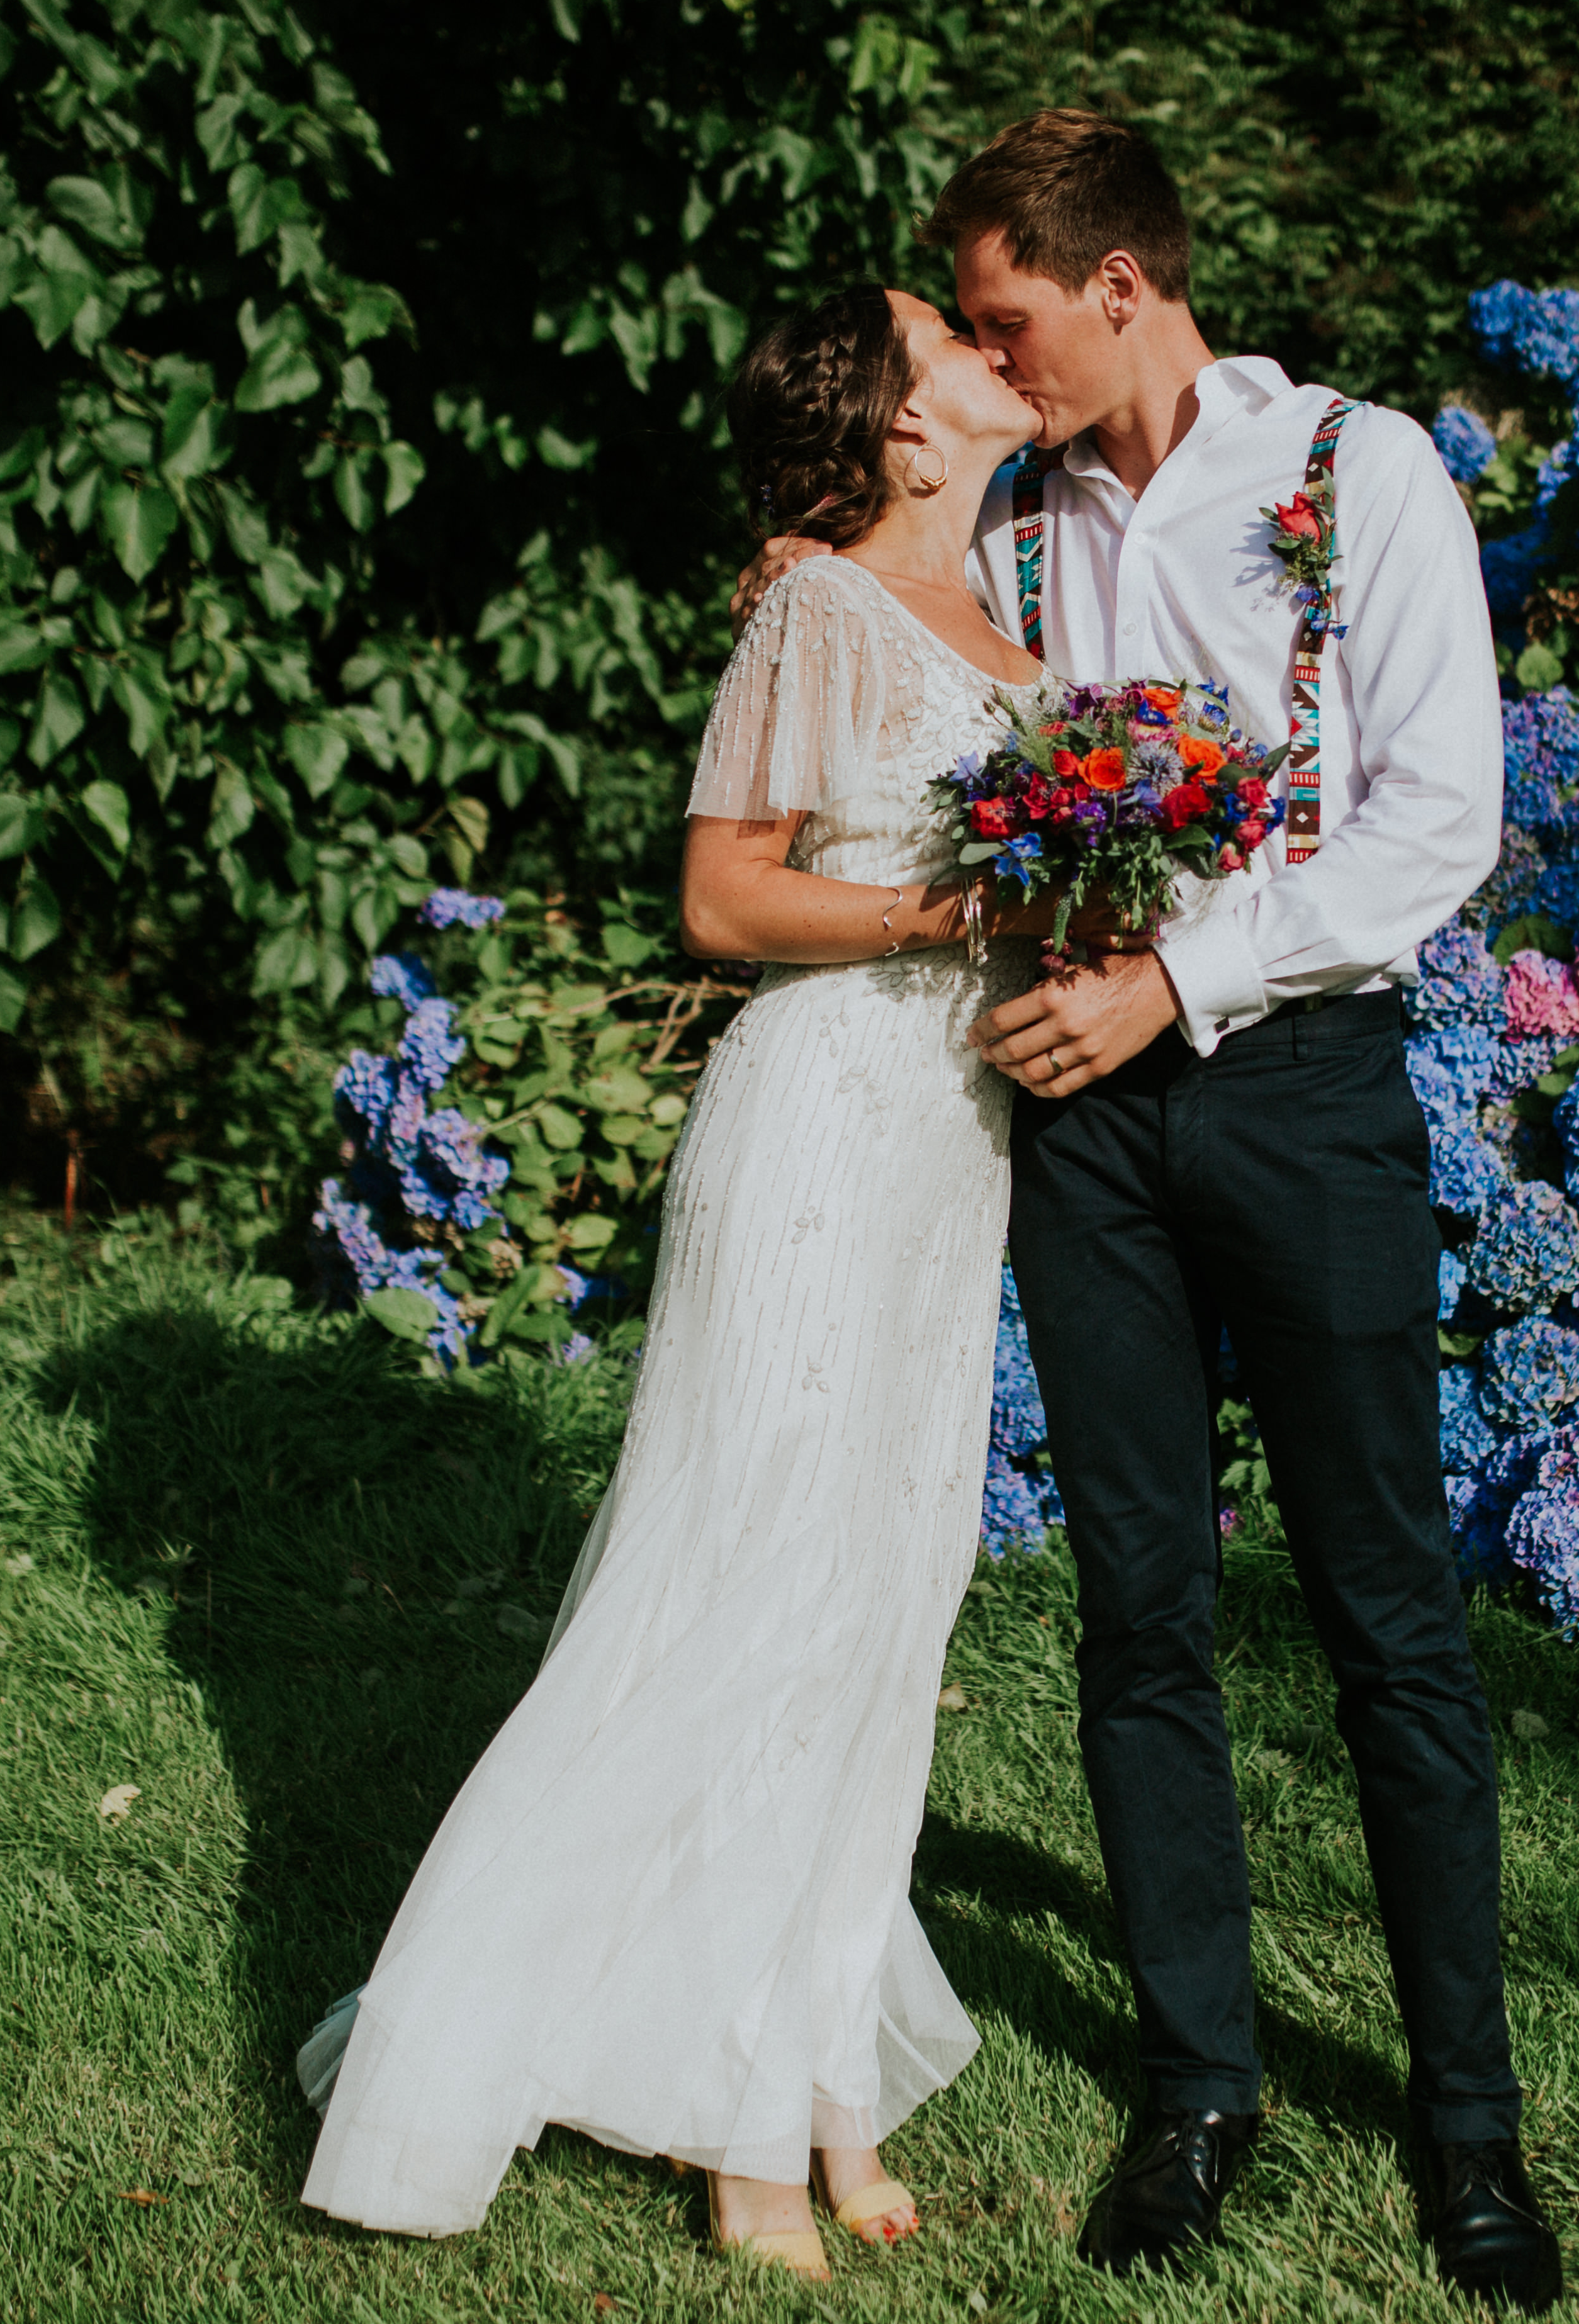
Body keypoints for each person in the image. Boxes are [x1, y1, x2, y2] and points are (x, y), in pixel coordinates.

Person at [741, 108, 1561, 2308]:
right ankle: (1198, 2087)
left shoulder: (1353, 476)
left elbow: (1435, 826)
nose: (989, 364)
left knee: (1389, 1618)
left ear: (1122, 284)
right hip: (1080, 1126)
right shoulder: (1009, 514)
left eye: (1007, 317)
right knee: (1137, 1611)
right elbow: (854, 605)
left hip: (1295, 1090)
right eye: (969, 338)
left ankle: (1467, 2128)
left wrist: (1174, 982)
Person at [293, 283, 1055, 2286]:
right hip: (817, 1125)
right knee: (758, 1591)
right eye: (946, 339)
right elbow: (720, 893)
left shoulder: (1019, 618)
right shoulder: (817, 610)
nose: (988, 344)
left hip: (948, 1155)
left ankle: (817, 2071)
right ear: (898, 427)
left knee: (891, 1599)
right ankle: (733, 2126)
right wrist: (943, 910)